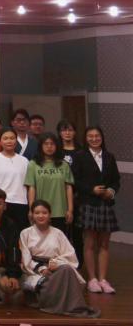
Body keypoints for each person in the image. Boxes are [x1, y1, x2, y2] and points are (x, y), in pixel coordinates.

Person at [20, 200, 99, 317]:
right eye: (37, 213)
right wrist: (41, 269)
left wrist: (56, 263)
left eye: (44, 213)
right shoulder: (25, 233)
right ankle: (54, 303)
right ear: (32, 215)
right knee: (56, 275)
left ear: (50, 214)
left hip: (56, 268)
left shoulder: (58, 233)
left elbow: (70, 255)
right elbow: (25, 257)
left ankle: (73, 306)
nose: (41, 216)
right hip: (34, 270)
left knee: (66, 269)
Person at [71, 126, 120, 294]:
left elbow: (116, 180)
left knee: (104, 244)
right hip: (88, 203)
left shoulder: (109, 156)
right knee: (90, 244)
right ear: (86, 139)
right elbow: (75, 180)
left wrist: (111, 191)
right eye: (90, 136)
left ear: (102, 137)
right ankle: (92, 279)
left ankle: (103, 279)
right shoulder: (79, 156)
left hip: (105, 204)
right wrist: (91, 190)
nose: (94, 139)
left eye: (97, 136)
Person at [25, 132, 74, 233]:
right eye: (46, 144)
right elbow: (32, 188)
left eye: (52, 144)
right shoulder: (33, 164)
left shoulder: (64, 165)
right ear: (41, 146)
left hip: (60, 211)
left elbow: (68, 187)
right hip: (40, 212)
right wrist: (31, 209)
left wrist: (70, 210)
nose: (49, 147)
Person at [0, 128, 31, 230]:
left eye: (12, 138)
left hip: (21, 203)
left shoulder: (24, 161)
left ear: (16, 140)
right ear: (0, 141)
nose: (9, 141)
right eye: (5, 138)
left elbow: (29, 186)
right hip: (1, 203)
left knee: (20, 233)